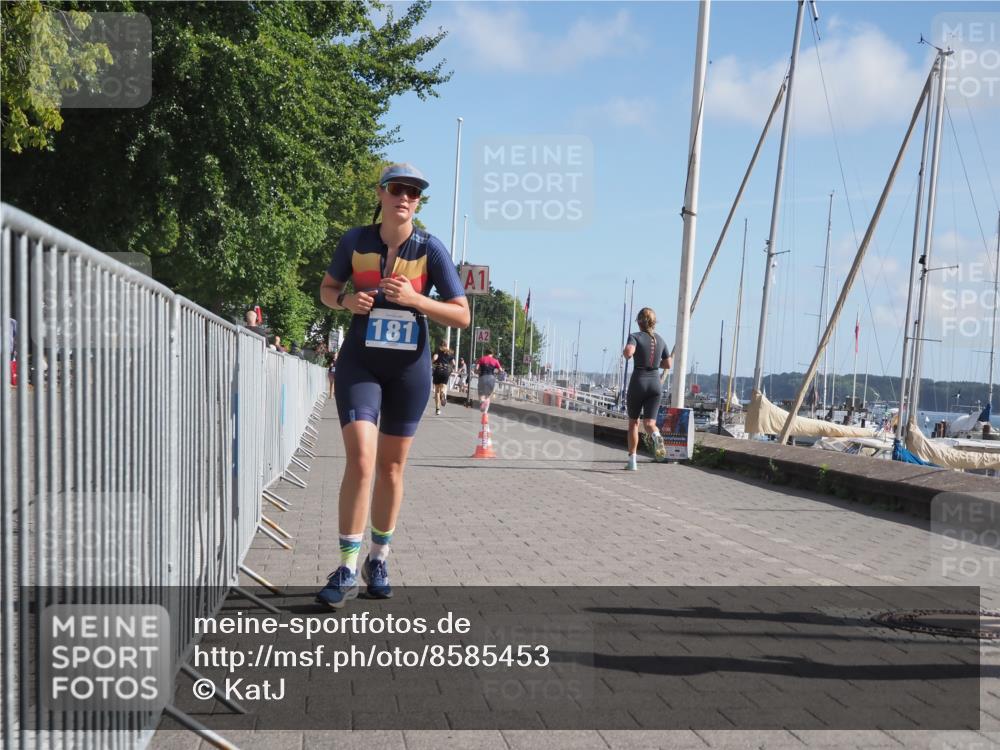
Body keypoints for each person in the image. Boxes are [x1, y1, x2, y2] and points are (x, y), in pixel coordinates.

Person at [316, 163, 470, 608]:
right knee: (362, 461)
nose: (406, 197)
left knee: (391, 468)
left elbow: (461, 314)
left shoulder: (430, 248)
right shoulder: (355, 241)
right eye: (398, 189)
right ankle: (345, 567)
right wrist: (346, 300)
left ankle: (378, 559)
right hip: (360, 364)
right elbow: (327, 289)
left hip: (409, 371)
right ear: (382, 193)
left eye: (415, 193)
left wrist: (417, 300)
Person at [622, 307, 672, 471]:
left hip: (639, 382)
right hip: (655, 384)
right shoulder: (660, 340)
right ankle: (656, 436)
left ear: (639, 322)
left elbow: (629, 352)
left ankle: (632, 462)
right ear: (654, 322)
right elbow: (668, 364)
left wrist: (627, 352)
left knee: (634, 423)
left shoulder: (635, 336)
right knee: (650, 424)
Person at [475, 348, 503, 413]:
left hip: (482, 378)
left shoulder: (481, 359)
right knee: (488, 396)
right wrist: (496, 373)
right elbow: (501, 370)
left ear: (486, 353)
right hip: (491, 378)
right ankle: (485, 414)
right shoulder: (495, 360)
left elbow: (476, 369)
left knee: (481, 395)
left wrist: (479, 372)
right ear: (492, 354)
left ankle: (482, 401)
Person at [431, 343, 454, 416]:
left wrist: (432, 362)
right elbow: (454, 363)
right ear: (446, 345)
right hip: (445, 371)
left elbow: (434, 358)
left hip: (438, 370)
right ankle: (443, 393)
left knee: (437, 391)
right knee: (444, 386)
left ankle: (437, 409)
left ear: (440, 345)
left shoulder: (437, 351)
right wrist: (450, 368)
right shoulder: (449, 353)